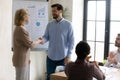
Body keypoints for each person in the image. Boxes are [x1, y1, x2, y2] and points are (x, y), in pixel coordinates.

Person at [39, 3, 74, 80]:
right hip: (50, 57)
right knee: (49, 77)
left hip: (63, 58)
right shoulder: (49, 24)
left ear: (60, 11)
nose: (53, 13)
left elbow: (71, 42)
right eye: (52, 11)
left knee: (60, 78)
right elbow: (46, 37)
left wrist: (69, 56)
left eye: (55, 11)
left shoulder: (68, 25)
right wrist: (42, 40)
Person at [12, 9, 40, 80]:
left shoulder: (19, 28)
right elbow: (30, 44)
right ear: (24, 16)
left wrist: (27, 58)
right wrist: (39, 41)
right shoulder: (21, 29)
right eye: (28, 15)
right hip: (21, 60)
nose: (29, 17)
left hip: (23, 59)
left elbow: (24, 45)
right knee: (21, 78)